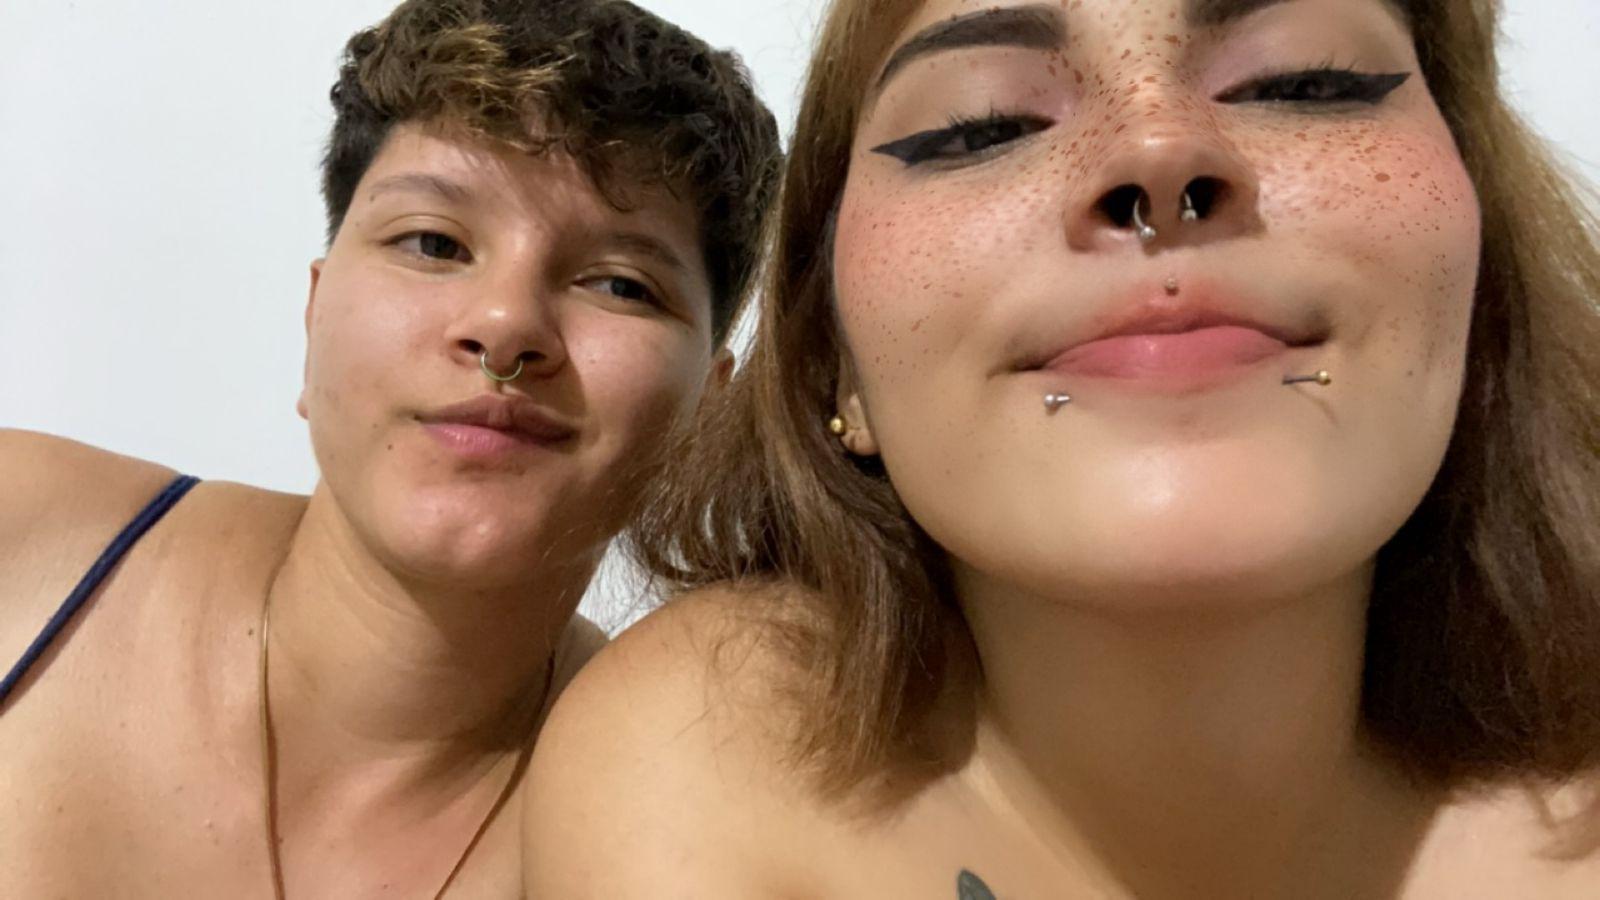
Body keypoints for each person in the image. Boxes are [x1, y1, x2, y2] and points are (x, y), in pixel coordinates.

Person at [523, 0, 1600, 895]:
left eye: (1303, 82)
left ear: (1483, 276)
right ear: (834, 370)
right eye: (981, 127)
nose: (1156, 152)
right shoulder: (704, 752)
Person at [0, 0, 779, 895]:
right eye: (433, 242)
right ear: (313, 315)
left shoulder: (688, 820)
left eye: (620, 284)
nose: (505, 325)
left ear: (708, 411)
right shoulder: (22, 539)